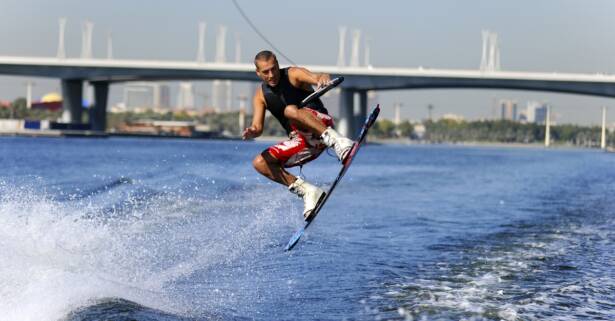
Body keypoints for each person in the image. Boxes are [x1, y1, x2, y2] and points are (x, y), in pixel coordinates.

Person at [242, 50, 354, 221]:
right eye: (266, 72)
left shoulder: (293, 74)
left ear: (278, 65)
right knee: (260, 163)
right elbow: (258, 127)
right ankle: (308, 192)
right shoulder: (260, 96)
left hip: (321, 126)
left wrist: (322, 78)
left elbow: (317, 77)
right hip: (304, 144)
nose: (271, 75)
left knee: (290, 110)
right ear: (258, 73)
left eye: (274, 69)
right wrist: (252, 131)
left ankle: (339, 141)